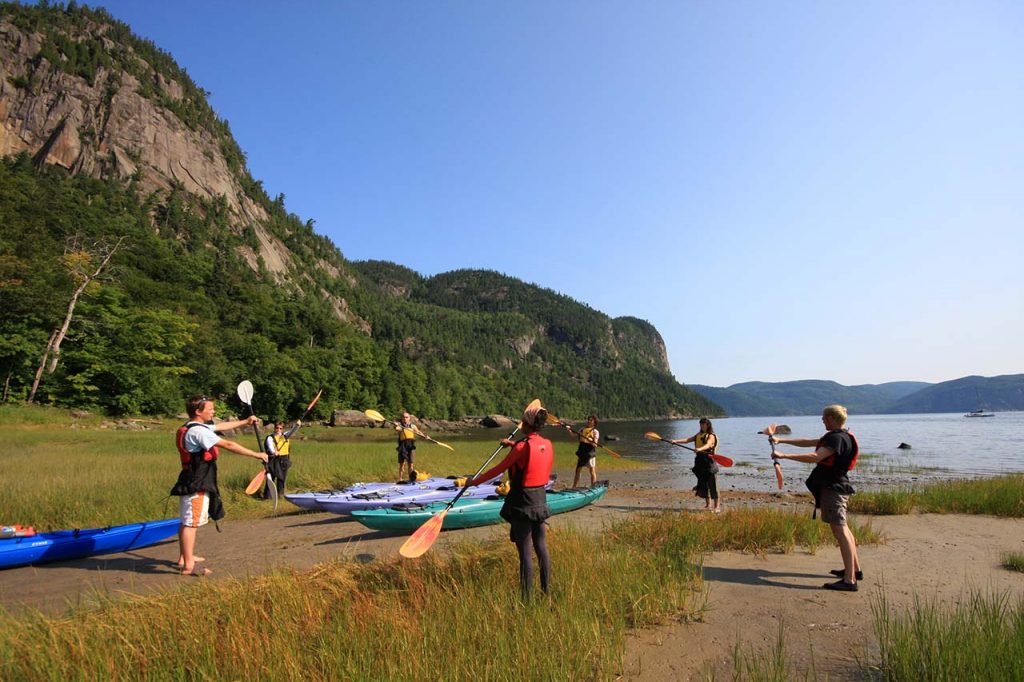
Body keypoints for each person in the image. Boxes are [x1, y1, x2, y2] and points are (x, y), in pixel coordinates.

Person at [172, 394, 268, 577]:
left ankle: (185, 557)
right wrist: (257, 455)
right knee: (191, 523)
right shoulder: (198, 432)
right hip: (196, 482)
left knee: (188, 521)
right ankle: (188, 566)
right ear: (198, 412)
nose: (214, 411)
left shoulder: (194, 426)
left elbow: (221, 426)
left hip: (192, 479)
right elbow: (228, 444)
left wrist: (245, 421)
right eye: (210, 409)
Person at [769, 404, 862, 592]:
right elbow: (809, 442)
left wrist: (784, 456)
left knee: (841, 531)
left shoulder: (837, 438)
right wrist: (782, 441)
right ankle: (855, 570)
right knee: (844, 530)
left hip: (834, 489)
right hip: (837, 487)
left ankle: (850, 580)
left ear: (832, 419)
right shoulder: (839, 436)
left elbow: (815, 456)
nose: (822, 420)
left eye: (824, 417)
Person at [466, 400, 554, 599]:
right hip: (540, 498)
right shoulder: (547, 444)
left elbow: (499, 469)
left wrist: (474, 482)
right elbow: (532, 450)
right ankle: (546, 593)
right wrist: (513, 444)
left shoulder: (522, 447)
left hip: (523, 501)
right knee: (541, 547)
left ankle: (527, 600)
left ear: (527, 423)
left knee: (525, 552)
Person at [672, 417, 721, 512]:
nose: (702, 426)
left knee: (713, 484)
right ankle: (708, 505)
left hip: (709, 462)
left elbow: (708, 444)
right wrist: (675, 441)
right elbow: (687, 440)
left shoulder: (711, 436)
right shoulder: (698, 435)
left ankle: (717, 507)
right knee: (704, 483)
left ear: (708, 425)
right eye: (701, 424)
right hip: (700, 462)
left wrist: (700, 449)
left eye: (704, 424)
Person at [263, 419, 301, 498]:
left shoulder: (285, 435)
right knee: (271, 477)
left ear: (282, 429)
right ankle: (268, 496)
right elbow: (270, 446)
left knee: (282, 478)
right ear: (274, 428)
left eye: (280, 428)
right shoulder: (270, 438)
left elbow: (292, 431)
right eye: (277, 428)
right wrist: (274, 452)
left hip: (284, 460)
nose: (278, 430)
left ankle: (280, 495)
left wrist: (297, 425)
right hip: (274, 459)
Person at [571, 415, 601, 488]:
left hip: (590, 453)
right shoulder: (582, 429)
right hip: (582, 452)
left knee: (592, 470)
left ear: (594, 422)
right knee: (578, 470)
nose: (589, 421)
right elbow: (573, 435)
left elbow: (595, 444)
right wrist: (569, 430)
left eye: (591, 420)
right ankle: (574, 487)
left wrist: (590, 441)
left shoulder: (595, 431)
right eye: (588, 420)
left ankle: (593, 486)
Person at [395, 411, 421, 481]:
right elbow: (397, 429)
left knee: (410, 463)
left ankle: (411, 479)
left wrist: (426, 436)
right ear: (401, 418)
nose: (405, 418)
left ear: (409, 418)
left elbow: (418, 432)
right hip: (403, 446)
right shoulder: (400, 426)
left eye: (406, 417)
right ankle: (400, 479)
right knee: (402, 464)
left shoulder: (413, 426)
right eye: (403, 417)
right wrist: (396, 425)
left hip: (411, 445)